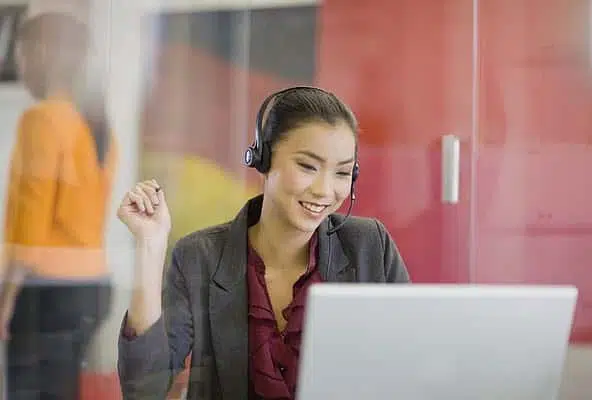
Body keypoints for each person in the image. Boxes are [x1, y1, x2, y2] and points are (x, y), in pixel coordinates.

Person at [116, 86, 410, 400]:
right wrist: (150, 246)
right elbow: (144, 389)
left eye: (341, 172)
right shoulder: (200, 256)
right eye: (308, 167)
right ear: (263, 159)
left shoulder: (370, 247)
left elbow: (412, 365)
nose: (326, 190)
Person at [0, 12, 117, 399]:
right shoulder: (97, 121)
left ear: (42, 53)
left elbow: (30, 224)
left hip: (45, 290)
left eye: (22, 52)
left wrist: (6, 299)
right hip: (90, 284)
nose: (19, 63)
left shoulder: (42, 119)